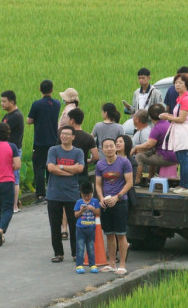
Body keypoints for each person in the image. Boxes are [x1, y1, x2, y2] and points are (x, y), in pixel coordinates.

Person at [46, 126, 85, 263]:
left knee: (75, 226)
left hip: (72, 195)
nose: (64, 136)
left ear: (73, 137)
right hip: (54, 194)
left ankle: (76, 253)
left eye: (68, 134)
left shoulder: (78, 152)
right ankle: (58, 253)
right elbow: (51, 168)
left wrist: (61, 167)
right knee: (55, 226)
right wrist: (70, 171)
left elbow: (80, 168)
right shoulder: (53, 150)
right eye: (62, 134)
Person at [95, 138, 132, 276]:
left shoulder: (124, 162)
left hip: (120, 202)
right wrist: (101, 198)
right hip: (106, 202)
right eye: (106, 147)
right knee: (109, 234)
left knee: (121, 234)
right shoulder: (100, 164)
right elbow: (98, 184)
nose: (109, 149)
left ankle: (122, 265)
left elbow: (129, 183)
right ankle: (111, 263)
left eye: (111, 146)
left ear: (115, 148)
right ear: (102, 149)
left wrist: (118, 197)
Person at [159, 74, 188, 194]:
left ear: (187, 85)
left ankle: (185, 187)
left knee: (183, 159)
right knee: (181, 159)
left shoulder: (186, 99)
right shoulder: (180, 98)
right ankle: (182, 185)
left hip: (182, 130)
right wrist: (168, 116)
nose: (177, 85)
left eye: (180, 83)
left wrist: (167, 116)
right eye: (176, 82)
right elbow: (177, 117)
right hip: (178, 129)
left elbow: (181, 119)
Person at [28, 79, 60, 202]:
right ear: (52, 90)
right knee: (51, 166)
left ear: (40, 89)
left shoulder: (36, 104)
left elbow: (29, 121)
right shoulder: (57, 104)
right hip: (53, 140)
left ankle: (40, 194)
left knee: (39, 167)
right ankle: (52, 191)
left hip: (40, 141)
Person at [132, 103, 176, 184]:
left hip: (166, 158)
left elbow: (149, 145)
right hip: (174, 155)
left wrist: (136, 148)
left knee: (139, 157)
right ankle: (150, 178)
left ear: (150, 116)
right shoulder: (168, 124)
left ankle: (137, 180)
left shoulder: (157, 128)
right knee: (151, 154)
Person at [0, 90, 24, 213]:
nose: (2, 104)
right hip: (5, 150)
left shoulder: (16, 116)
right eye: (1, 101)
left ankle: (14, 206)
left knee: (14, 178)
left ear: (12, 102)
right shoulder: (8, 115)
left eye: (4, 101)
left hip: (13, 151)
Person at [73, 181, 100, 274]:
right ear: (81, 194)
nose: (87, 198)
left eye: (88, 196)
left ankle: (92, 264)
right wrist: (81, 211)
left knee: (91, 247)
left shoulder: (95, 201)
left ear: (92, 193)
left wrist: (93, 209)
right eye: (84, 196)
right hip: (80, 228)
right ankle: (79, 265)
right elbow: (75, 215)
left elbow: (98, 213)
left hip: (91, 228)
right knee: (80, 247)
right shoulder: (79, 202)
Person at [67, 108, 99, 184]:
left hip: (67, 173)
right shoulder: (88, 137)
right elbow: (96, 156)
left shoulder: (65, 136)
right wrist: (88, 161)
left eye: (68, 120)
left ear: (72, 121)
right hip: (83, 173)